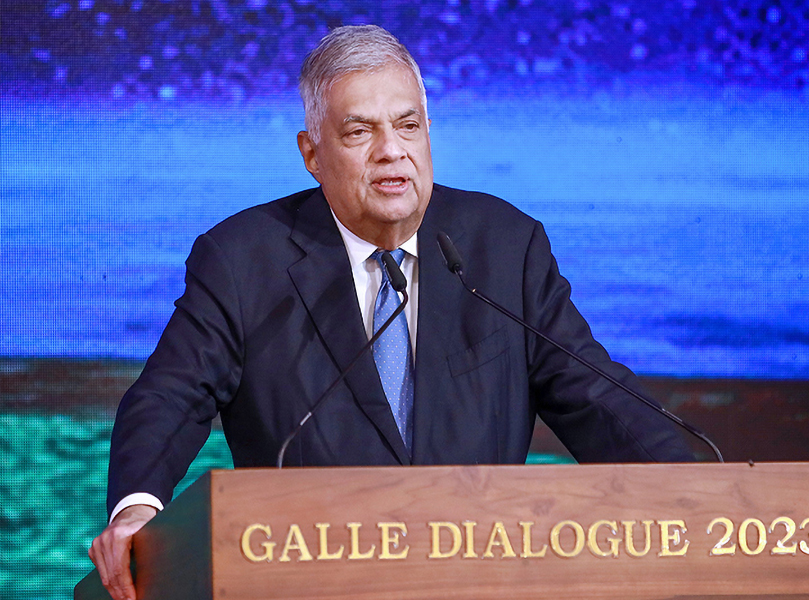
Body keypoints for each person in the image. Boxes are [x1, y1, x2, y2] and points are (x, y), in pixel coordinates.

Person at [88, 24, 693, 600]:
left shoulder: (503, 246)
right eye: (359, 132)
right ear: (311, 152)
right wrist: (138, 511)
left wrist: (704, 488)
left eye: (408, 126)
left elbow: (596, 394)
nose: (391, 151)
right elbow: (171, 393)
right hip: (302, 583)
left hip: (481, 580)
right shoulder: (244, 259)